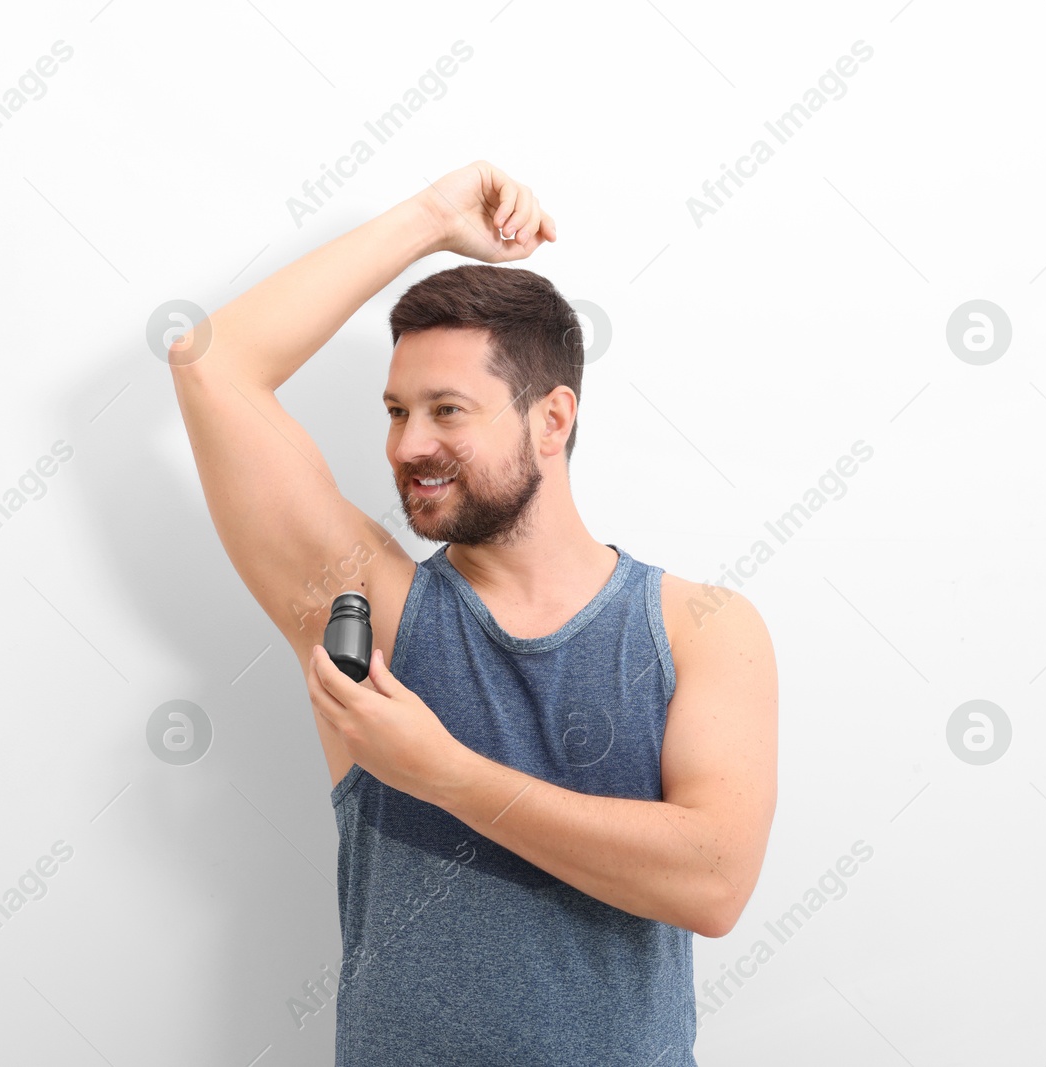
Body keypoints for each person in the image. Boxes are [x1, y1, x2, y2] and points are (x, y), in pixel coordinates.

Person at [167, 160, 778, 1066]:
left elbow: (713, 879)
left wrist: (444, 772)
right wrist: (429, 216)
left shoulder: (700, 627)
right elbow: (210, 364)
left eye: (447, 409)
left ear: (552, 417)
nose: (409, 445)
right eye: (396, 411)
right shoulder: (375, 606)